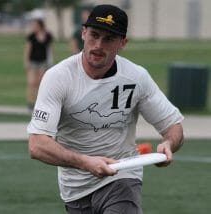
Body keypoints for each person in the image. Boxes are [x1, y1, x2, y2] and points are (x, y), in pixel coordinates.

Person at [27, 4, 184, 214]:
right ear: (83, 33)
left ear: (123, 43)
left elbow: (173, 126)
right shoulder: (58, 77)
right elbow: (37, 145)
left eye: (109, 39)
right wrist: (85, 162)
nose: (98, 45)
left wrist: (169, 143)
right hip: (75, 189)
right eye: (94, 35)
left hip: (122, 176)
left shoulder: (136, 77)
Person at [24, 18, 53, 112]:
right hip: (33, 62)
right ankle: (30, 103)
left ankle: (39, 103)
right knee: (32, 83)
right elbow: (28, 49)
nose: (34, 27)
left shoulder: (47, 35)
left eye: (35, 25)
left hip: (43, 62)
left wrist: (50, 61)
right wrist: (26, 61)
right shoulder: (31, 36)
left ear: (40, 26)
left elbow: (50, 49)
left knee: (41, 83)